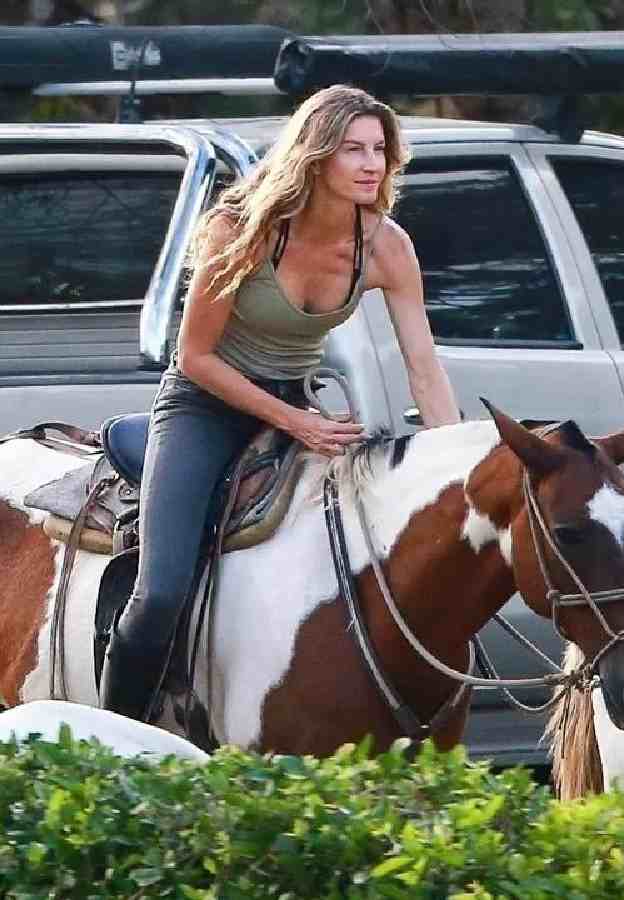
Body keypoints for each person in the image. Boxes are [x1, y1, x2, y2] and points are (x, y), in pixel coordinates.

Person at [100, 85, 461, 723]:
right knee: (159, 594)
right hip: (205, 406)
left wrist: (457, 468)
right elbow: (195, 358)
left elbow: (424, 370)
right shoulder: (238, 228)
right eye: (353, 149)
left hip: (300, 405)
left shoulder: (387, 247)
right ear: (316, 155)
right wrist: (297, 422)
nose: (371, 164)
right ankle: (112, 734)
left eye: (379, 149)